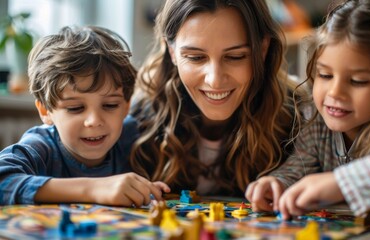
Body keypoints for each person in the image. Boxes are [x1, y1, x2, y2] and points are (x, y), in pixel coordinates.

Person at [246, 0, 370, 217]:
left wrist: (341, 183)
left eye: (358, 80)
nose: (335, 93)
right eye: (325, 75)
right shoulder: (316, 116)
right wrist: (278, 183)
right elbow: (299, 167)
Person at [130, 0, 298, 196]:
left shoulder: (298, 118)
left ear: (263, 49)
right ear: (172, 52)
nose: (215, 80)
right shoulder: (137, 119)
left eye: (235, 56)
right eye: (195, 57)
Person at [0, 26, 170, 205]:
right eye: (75, 108)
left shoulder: (133, 138)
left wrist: (145, 189)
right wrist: (94, 189)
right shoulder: (41, 146)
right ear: (46, 111)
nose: (94, 121)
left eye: (110, 105)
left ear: (126, 106)